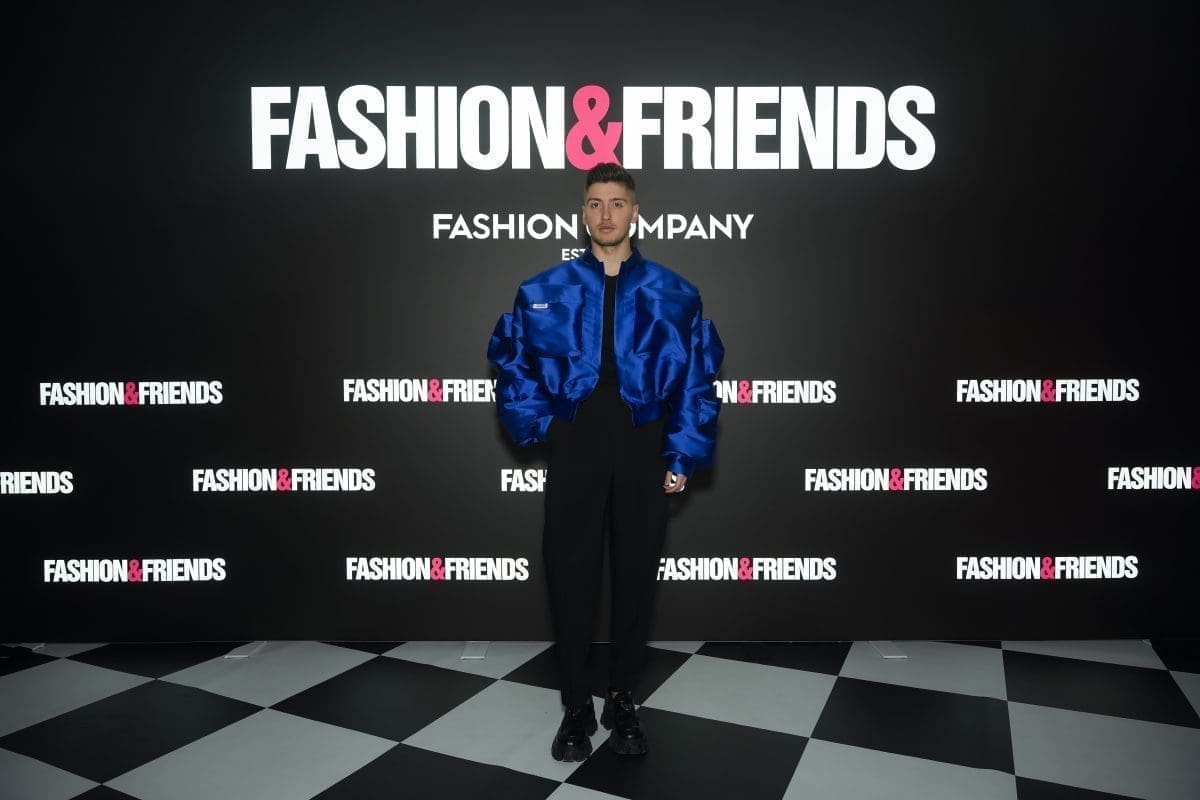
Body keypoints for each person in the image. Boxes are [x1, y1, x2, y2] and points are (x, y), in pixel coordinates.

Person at [487, 163, 724, 761]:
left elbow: (696, 379)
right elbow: (512, 362)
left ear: (635, 212)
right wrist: (546, 425)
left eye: (617, 203)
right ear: (584, 212)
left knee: (636, 577)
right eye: (595, 203)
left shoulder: (676, 291)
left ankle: (622, 698)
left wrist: (682, 450)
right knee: (570, 575)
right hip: (577, 443)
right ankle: (575, 705)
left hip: (643, 444)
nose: (606, 214)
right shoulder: (543, 288)